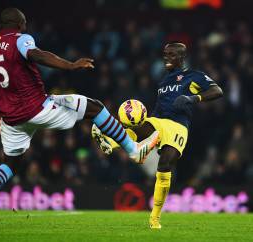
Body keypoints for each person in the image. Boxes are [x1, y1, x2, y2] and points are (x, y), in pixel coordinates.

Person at [0, 8, 159, 231]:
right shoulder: (21, 40)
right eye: (24, 23)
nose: (26, 26)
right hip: (38, 107)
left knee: (11, 163)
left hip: (11, 118)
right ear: (18, 24)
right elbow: (37, 55)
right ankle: (133, 149)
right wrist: (70, 65)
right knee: (95, 108)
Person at [92, 42, 223, 229]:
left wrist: (192, 98)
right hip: (158, 121)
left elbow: (218, 91)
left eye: (171, 55)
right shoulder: (164, 82)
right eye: (165, 54)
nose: (166, 58)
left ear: (181, 57)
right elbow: (158, 108)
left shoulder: (195, 76)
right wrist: (148, 122)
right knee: (135, 125)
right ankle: (109, 142)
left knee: (165, 163)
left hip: (178, 126)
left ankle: (155, 218)